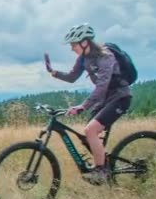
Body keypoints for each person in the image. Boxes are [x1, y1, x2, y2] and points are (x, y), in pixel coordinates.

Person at [45, 23, 132, 185]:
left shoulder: (106, 57)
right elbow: (72, 77)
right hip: (105, 99)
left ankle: (101, 171)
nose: (71, 48)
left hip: (120, 97)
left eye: (73, 44)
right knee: (88, 136)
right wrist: (54, 73)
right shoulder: (84, 58)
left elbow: (102, 86)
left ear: (85, 42)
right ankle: (104, 164)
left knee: (90, 130)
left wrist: (82, 106)